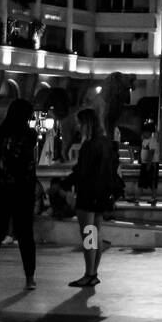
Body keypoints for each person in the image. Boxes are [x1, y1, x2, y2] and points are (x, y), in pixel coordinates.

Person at [0, 98, 38, 291]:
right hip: (23, 193)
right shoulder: (30, 136)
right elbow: (29, 167)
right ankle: (30, 279)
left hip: (0, 193)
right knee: (26, 236)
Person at [60, 108, 117, 288]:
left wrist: (64, 184)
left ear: (87, 124)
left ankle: (89, 273)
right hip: (101, 195)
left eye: (80, 123)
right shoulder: (107, 144)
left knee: (88, 236)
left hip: (87, 195)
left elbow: (81, 172)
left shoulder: (89, 146)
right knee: (95, 234)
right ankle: (93, 272)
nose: (78, 126)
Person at [137, 119, 160, 202]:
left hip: (151, 163)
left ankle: (153, 197)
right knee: (142, 181)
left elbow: (151, 153)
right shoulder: (144, 140)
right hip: (145, 163)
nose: (143, 134)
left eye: (145, 132)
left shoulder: (152, 140)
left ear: (149, 132)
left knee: (152, 182)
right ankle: (137, 198)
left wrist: (149, 164)